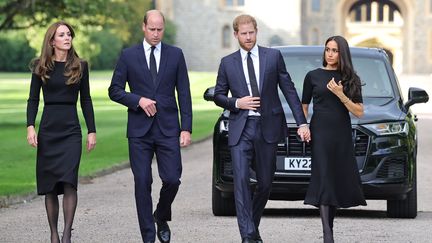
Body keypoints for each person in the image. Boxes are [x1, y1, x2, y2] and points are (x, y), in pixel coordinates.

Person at [214, 14, 310, 243]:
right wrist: (237, 103)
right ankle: (247, 236)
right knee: (241, 182)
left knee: (266, 183)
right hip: (241, 128)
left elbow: (289, 90)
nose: (248, 37)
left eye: (251, 33)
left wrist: (302, 122)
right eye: (244, 34)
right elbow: (218, 95)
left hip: (267, 127)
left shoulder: (273, 57)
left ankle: (252, 227)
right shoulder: (227, 63)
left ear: (256, 32)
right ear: (236, 34)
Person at [108, 10, 192, 243]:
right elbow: (114, 90)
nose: (156, 34)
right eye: (152, 29)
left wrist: (186, 128)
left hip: (168, 129)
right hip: (139, 131)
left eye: (160, 29)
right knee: (142, 181)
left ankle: (161, 215)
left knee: (173, 179)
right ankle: (148, 237)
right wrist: (138, 100)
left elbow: (183, 93)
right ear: (143, 27)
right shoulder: (128, 55)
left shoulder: (176, 55)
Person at [26, 21, 96, 243]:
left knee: (69, 181)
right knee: (50, 185)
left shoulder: (80, 66)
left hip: (71, 131)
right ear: (52, 40)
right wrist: (30, 127)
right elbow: (33, 99)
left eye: (69, 35)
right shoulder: (40, 66)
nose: (67, 38)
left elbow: (86, 100)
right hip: (48, 129)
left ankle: (66, 235)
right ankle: (54, 235)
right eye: (62, 35)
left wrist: (91, 130)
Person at [302, 35, 367, 243]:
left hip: (341, 134)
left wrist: (341, 94)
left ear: (342, 54)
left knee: (334, 179)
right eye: (328, 49)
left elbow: (359, 112)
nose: (330, 54)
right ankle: (327, 235)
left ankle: (329, 230)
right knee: (323, 178)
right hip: (319, 132)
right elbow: (304, 106)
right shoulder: (312, 76)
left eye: (335, 50)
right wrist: (304, 126)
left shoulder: (350, 79)